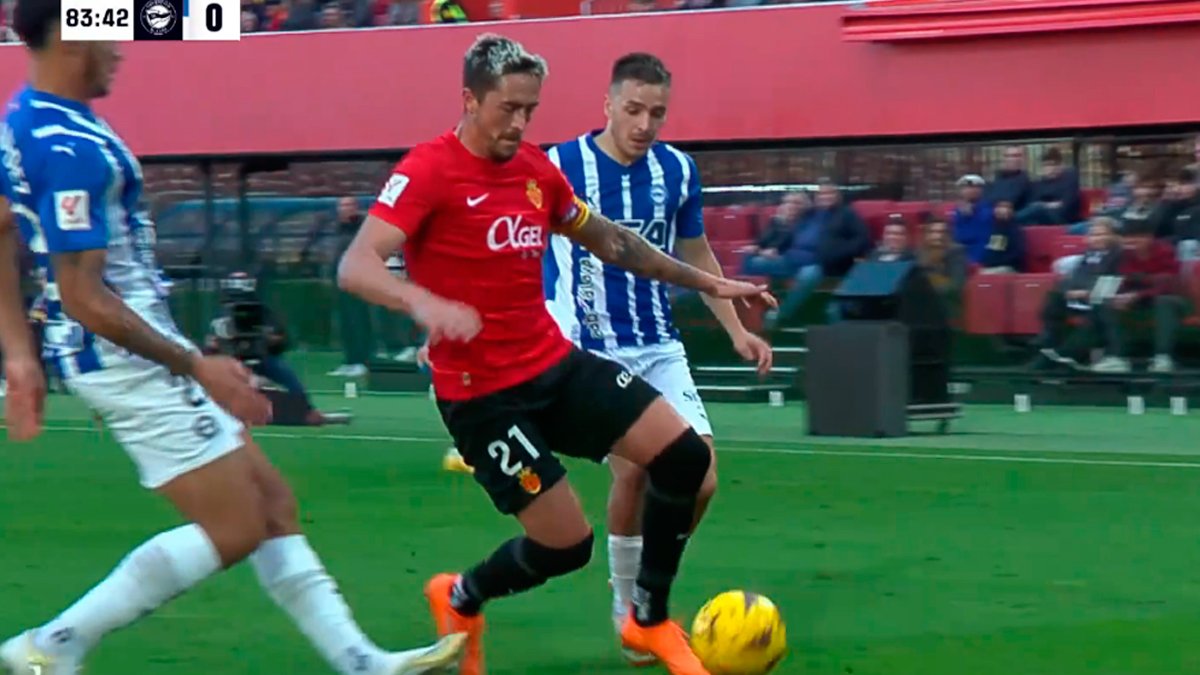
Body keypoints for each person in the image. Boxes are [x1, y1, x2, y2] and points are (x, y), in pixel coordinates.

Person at [0, 2, 465, 673]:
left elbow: (2, 227)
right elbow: (83, 296)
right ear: (75, 37)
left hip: (133, 350)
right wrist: (196, 365)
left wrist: (20, 354)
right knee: (236, 526)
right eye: (111, 33)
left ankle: (362, 661)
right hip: (125, 359)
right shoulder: (66, 146)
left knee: (272, 506)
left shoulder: (24, 121)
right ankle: (53, 644)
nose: (121, 48)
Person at [337, 33, 774, 675]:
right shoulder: (429, 169)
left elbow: (613, 243)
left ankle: (648, 620)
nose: (519, 124)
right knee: (567, 546)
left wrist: (711, 283)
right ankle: (460, 596)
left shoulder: (536, 171)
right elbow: (356, 265)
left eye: (529, 110)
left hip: (552, 365)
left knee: (684, 457)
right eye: (508, 108)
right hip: (482, 398)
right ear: (470, 99)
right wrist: (422, 303)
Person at [541, 52, 772, 665]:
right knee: (635, 472)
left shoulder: (678, 170)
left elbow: (696, 252)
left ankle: (649, 588)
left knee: (703, 478)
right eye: (634, 109)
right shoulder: (561, 165)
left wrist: (736, 330)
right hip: (592, 348)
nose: (645, 124)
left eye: (657, 113)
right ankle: (630, 609)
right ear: (608, 105)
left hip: (660, 345)